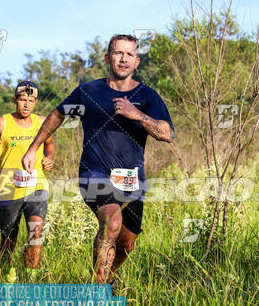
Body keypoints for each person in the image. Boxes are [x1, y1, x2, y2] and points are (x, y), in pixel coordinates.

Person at [21, 34, 174, 288]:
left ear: (136, 61)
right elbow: (58, 114)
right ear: (107, 57)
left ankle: (106, 277)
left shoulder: (147, 95)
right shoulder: (88, 91)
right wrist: (33, 148)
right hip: (94, 173)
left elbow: (166, 133)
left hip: (131, 180)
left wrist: (137, 115)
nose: (123, 59)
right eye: (117, 53)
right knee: (111, 221)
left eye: (129, 54)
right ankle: (99, 292)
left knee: (127, 242)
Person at [0, 81, 54, 278]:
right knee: (8, 241)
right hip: (8, 189)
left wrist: (49, 159)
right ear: (15, 100)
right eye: (22, 100)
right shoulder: (2, 123)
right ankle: (4, 278)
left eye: (31, 101)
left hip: (36, 186)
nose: (26, 105)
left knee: (35, 234)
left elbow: (50, 145)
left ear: (36, 102)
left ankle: (30, 281)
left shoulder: (42, 123)